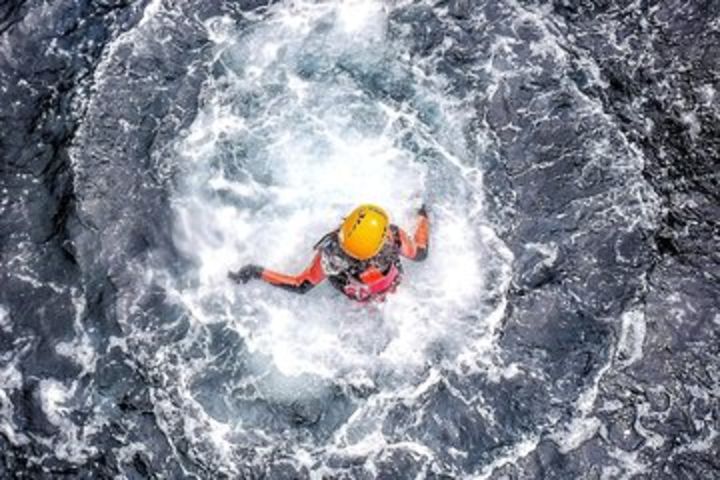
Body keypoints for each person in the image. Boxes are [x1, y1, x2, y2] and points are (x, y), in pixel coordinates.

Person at [229, 204, 429, 301]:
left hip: (360, 297)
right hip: (388, 290)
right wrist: (423, 216)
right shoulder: (393, 239)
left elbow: (300, 285)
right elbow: (420, 252)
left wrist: (255, 272)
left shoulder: (333, 256)